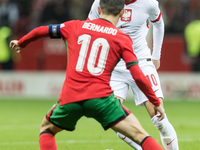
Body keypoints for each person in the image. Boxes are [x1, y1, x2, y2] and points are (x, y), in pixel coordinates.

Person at [10, 0, 165, 149]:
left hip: (71, 97)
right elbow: (138, 76)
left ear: (98, 10)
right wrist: (155, 101)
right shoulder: (122, 39)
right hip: (101, 99)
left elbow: (41, 30)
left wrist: (21, 43)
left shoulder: (74, 26)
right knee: (140, 135)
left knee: (46, 129)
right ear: (122, 12)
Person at [88, 0, 179, 150]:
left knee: (159, 118)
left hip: (140, 62)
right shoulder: (101, 2)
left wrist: (156, 55)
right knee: (115, 119)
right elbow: (89, 29)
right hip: (114, 67)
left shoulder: (148, 3)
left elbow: (158, 24)